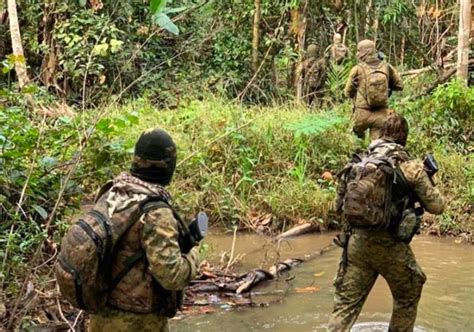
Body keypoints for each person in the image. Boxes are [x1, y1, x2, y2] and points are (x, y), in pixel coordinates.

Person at [328, 113, 445, 331]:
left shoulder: (358, 163)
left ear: (381, 134)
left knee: (345, 307)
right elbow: (437, 206)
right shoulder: (411, 167)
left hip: (356, 245)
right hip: (390, 246)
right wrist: (428, 180)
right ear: (404, 138)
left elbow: (337, 206)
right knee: (408, 294)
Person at [87, 128, 200, 332]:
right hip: (137, 323)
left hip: (101, 316)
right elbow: (172, 276)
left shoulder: (112, 191)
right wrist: (192, 253)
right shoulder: (156, 212)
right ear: (168, 166)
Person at [345, 40, 404, 140]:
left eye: (359, 51)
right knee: (377, 145)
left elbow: (347, 92)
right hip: (381, 115)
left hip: (361, 115)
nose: (357, 53)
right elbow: (400, 85)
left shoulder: (357, 69)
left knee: (356, 142)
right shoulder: (386, 67)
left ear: (366, 52)